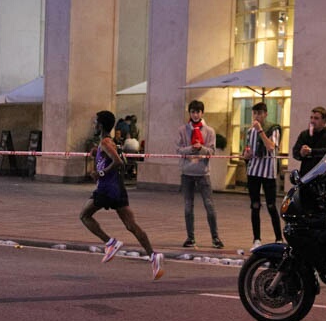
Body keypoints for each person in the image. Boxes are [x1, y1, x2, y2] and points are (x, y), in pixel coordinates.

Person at [80, 110, 164, 280]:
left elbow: (118, 162)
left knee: (84, 215)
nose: (94, 125)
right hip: (118, 188)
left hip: (106, 189)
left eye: (96, 122)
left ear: (101, 125)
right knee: (131, 225)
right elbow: (119, 160)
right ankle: (153, 256)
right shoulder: (108, 143)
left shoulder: (105, 142)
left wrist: (100, 173)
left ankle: (110, 242)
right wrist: (97, 155)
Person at [176, 100, 223, 248]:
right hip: (187, 172)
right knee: (188, 205)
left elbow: (212, 151)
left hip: (203, 172)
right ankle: (190, 238)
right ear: (189, 113)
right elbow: (178, 149)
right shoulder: (182, 130)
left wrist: (201, 148)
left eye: (198, 112)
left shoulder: (209, 131)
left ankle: (215, 238)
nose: (195, 115)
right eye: (192, 112)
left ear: (202, 113)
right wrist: (191, 149)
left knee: (209, 205)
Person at [242, 101, 283, 248]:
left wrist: (260, 131)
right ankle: (256, 240)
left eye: (260, 113)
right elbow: (246, 152)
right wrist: (246, 154)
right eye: (255, 113)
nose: (257, 116)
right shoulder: (249, 131)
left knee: (271, 205)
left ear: (265, 114)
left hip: (268, 172)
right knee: (255, 206)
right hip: (253, 171)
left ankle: (279, 238)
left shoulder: (273, 129)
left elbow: (271, 147)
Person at [291, 106, 326, 175]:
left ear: (324, 121)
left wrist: (311, 151)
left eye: (316, 118)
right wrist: (301, 153)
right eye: (311, 118)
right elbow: (295, 152)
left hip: (325, 175)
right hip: (307, 175)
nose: (312, 121)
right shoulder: (305, 134)